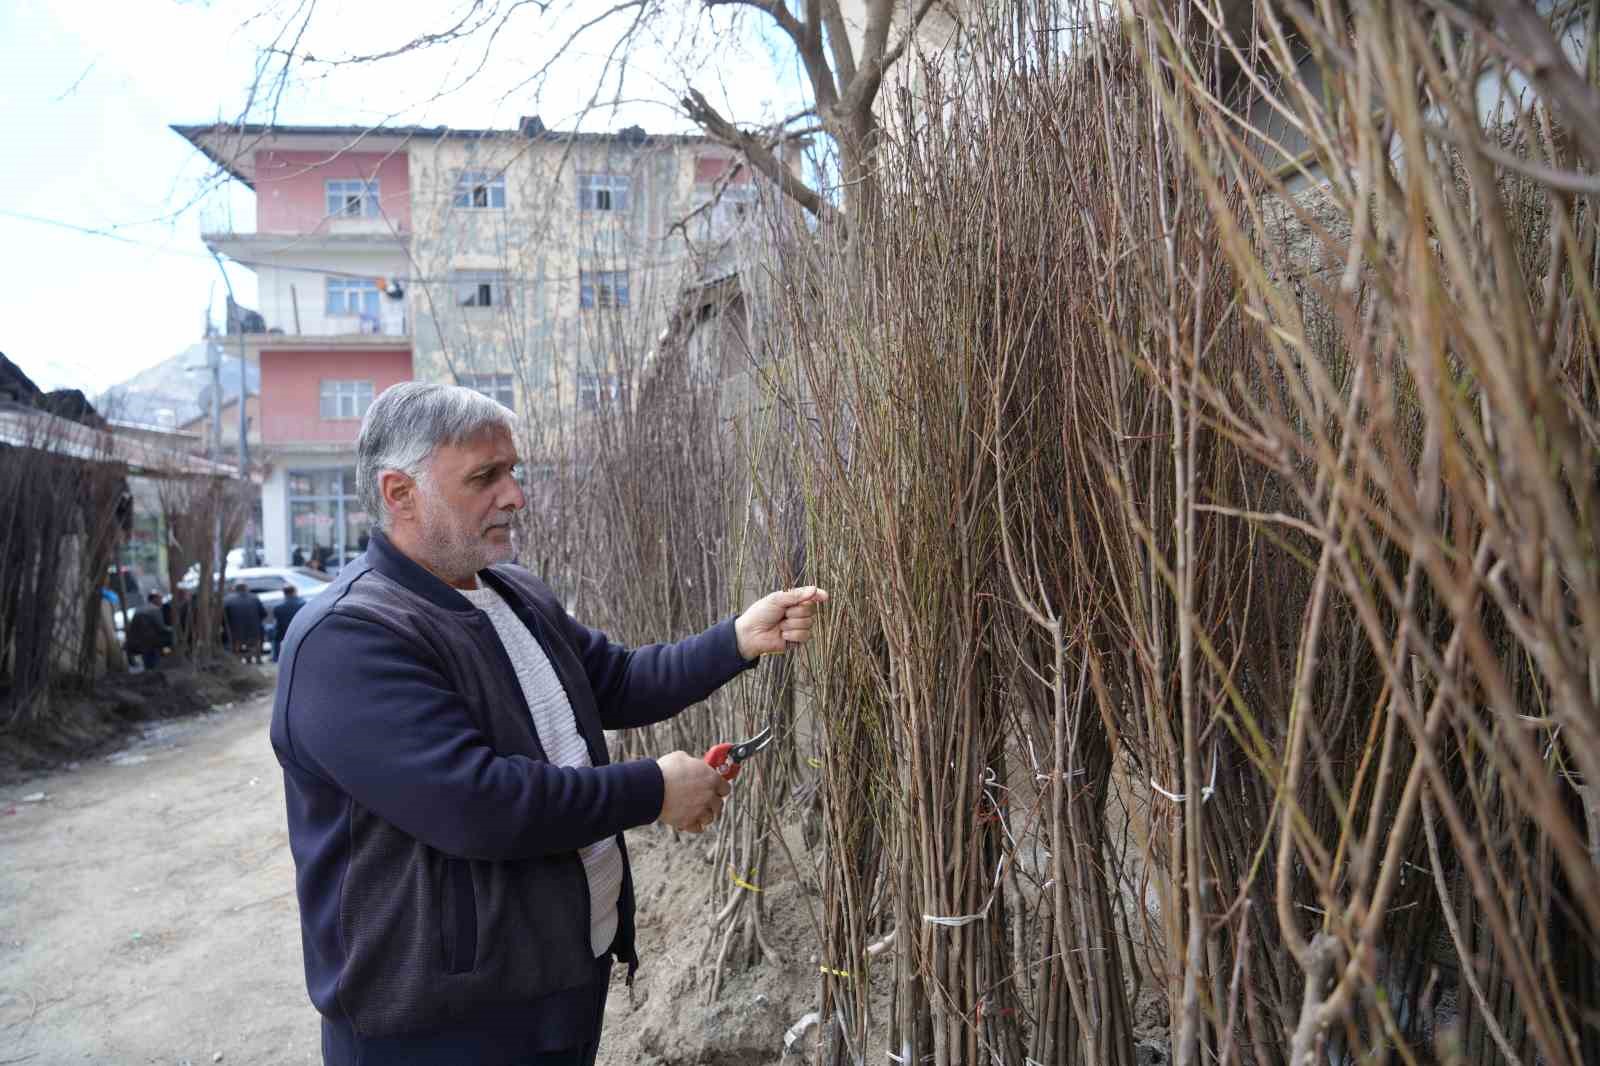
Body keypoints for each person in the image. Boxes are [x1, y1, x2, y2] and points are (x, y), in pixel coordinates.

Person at [271, 383, 827, 1066]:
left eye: (513, 471)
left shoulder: (510, 590)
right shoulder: (348, 638)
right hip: (441, 1027)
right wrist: (652, 791)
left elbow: (613, 682)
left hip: (558, 979)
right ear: (399, 492)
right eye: (485, 477)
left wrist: (736, 640)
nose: (515, 495)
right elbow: (476, 805)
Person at [124, 591, 173, 671]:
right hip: (152, 641)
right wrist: (172, 629)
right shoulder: (155, 609)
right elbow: (161, 627)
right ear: (154, 599)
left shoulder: (139, 609)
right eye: (159, 599)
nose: (161, 601)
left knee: (148, 662)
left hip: (139, 641)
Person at [222, 580, 267, 663]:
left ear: (234, 589)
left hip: (235, 631)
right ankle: (258, 658)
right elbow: (263, 614)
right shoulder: (254, 598)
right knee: (256, 638)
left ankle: (237, 660)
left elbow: (224, 618)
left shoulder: (227, 600)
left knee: (235, 642)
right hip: (254, 630)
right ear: (246, 588)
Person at [270, 584, 306, 663]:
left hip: (283, 631)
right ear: (295, 592)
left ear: (284, 593)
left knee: (273, 633)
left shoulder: (278, 607)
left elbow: (277, 623)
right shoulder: (303, 604)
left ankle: (276, 657)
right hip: (299, 630)